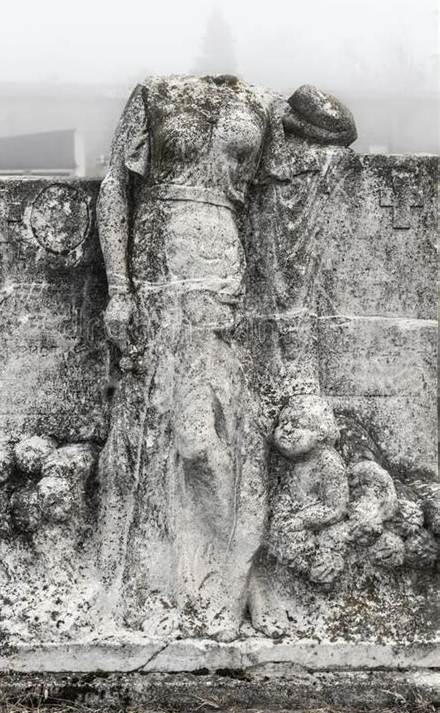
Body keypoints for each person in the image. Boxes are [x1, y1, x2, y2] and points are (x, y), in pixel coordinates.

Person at [96, 75, 356, 640]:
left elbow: (338, 128)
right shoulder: (155, 93)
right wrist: (119, 289)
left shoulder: (258, 102)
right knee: (158, 437)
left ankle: (234, 575)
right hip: (156, 266)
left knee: (208, 438)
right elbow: (116, 188)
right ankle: (162, 585)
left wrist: (296, 96)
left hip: (222, 277)